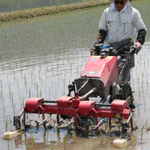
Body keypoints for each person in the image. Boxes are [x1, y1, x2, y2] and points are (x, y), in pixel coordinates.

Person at [98, 0, 147, 82]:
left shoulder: (133, 12)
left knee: (124, 79)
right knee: (108, 78)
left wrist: (139, 42)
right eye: (116, 2)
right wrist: (99, 43)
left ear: (126, 1)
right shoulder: (107, 12)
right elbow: (102, 30)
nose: (118, 5)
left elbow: (142, 29)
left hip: (126, 49)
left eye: (121, 2)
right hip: (110, 49)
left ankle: (125, 91)